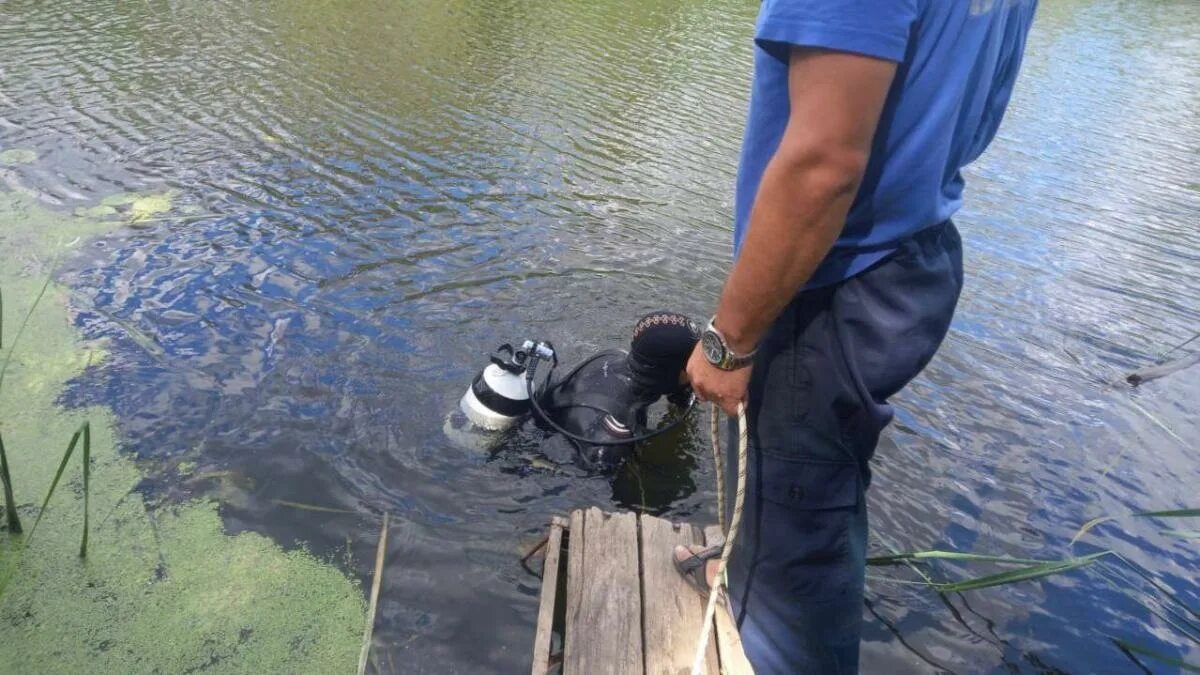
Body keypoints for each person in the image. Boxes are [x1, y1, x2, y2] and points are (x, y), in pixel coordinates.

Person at [673, 1, 1038, 672]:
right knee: (813, 498)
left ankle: (775, 610)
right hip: (911, 259)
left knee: (794, 577)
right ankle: (760, 554)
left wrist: (729, 340)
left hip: (832, 282)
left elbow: (823, 164)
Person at [535, 311, 699, 472]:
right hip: (557, 458)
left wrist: (682, 391)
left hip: (552, 416)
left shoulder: (611, 356)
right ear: (677, 371)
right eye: (695, 365)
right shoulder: (615, 439)